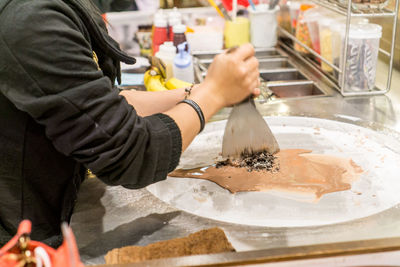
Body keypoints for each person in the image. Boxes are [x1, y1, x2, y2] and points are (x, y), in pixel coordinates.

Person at [0, 0, 260, 248]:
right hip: (22, 244)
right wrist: (213, 94)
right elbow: (130, 155)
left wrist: (198, 92)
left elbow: (99, 104)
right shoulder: (30, 19)